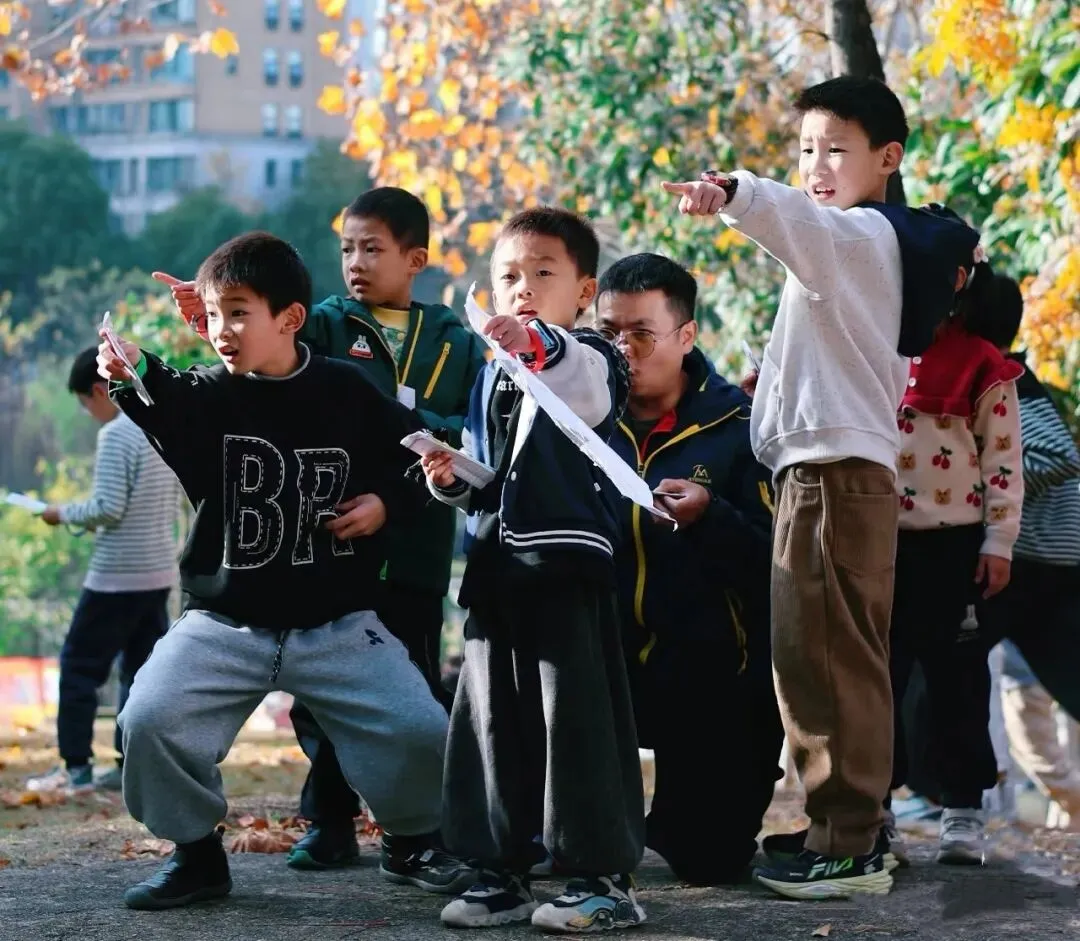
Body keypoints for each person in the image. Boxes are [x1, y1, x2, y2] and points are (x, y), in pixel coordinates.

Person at [661, 75, 981, 899]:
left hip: (834, 480)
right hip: (832, 473)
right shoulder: (866, 244)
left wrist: (734, 191)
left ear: (887, 158)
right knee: (827, 656)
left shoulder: (857, 236)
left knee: (827, 661)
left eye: (836, 148)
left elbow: (790, 218)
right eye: (805, 149)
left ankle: (849, 841)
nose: (817, 165)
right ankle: (846, 824)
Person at [100, 231, 449, 911]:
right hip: (224, 624)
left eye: (238, 311)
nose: (222, 329)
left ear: (289, 319)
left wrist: (384, 501)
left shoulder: (348, 390)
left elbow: (418, 459)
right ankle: (197, 857)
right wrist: (130, 362)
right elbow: (155, 388)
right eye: (212, 313)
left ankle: (412, 844)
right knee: (146, 717)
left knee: (421, 728)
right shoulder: (204, 394)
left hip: (338, 623)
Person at [422, 208, 646, 932]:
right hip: (494, 566)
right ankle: (499, 868)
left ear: (583, 290)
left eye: (542, 274)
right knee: (489, 721)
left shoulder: (597, 355)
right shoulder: (494, 377)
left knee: (573, 721)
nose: (522, 288)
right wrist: (450, 475)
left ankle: (598, 876)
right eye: (508, 276)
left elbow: (579, 384)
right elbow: (489, 473)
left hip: (565, 565)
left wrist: (538, 342)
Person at [595, 252, 783, 885]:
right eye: (607, 333)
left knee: (710, 862)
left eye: (641, 334)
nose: (622, 350)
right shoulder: (579, 419)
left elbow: (773, 567)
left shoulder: (743, 427)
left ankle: (689, 814)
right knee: (562, 852)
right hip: (601, 670)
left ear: (686, 336)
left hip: (713, 680)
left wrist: (711, 518)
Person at [886, 248, 1024, 866]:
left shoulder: (983, 365)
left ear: (957, 284)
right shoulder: (877, 349)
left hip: (954, 546)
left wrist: (999, 542)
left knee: (956, 681)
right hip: (877, 540)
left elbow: (1003, 462)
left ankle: (962, 811)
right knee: (878, 680)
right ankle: (874, 808)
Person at [26, 347, 182, 795]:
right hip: (156, 574)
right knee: (139, 672)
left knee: (79, 668)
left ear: (100, 390)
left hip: (117, 576)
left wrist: (60, 513)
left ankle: (75, 768)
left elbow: (108, 508)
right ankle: (127, 764)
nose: (88, 413)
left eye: (85, 402)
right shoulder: (158, 424)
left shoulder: (116, 432)